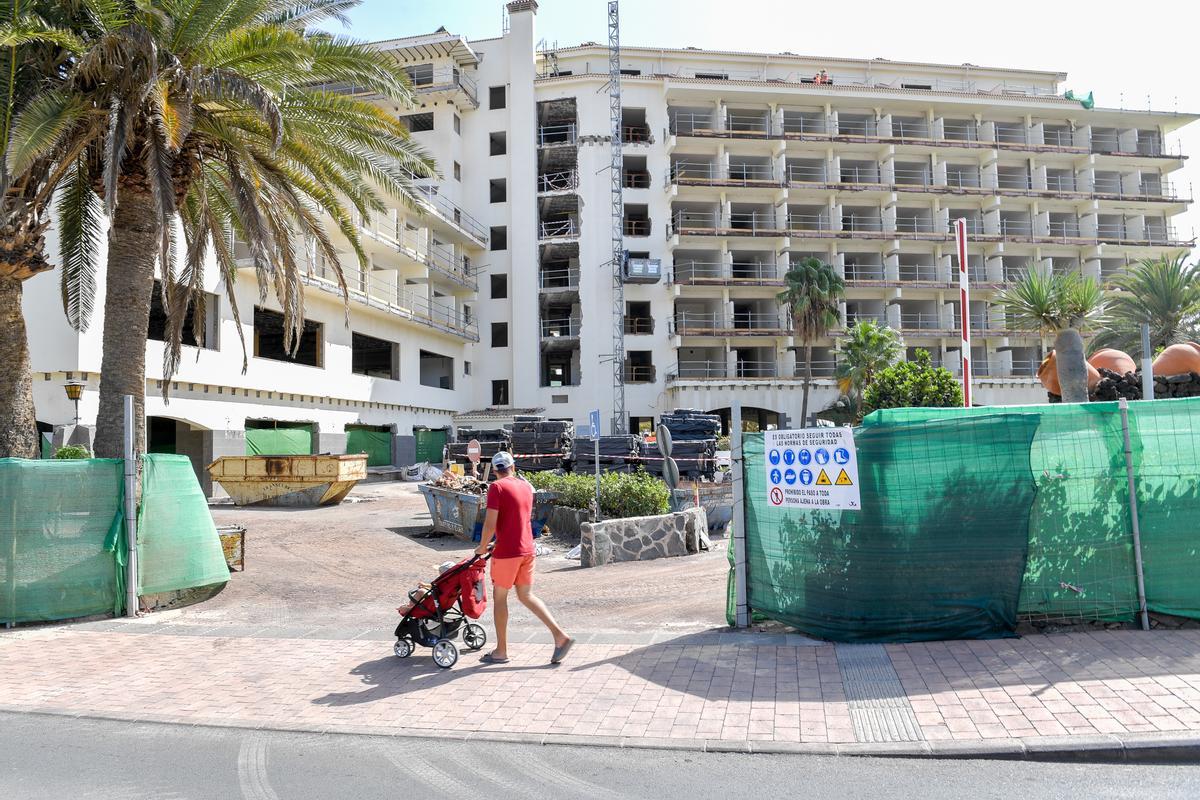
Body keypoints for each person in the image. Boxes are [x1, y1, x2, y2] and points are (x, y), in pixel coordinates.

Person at [474, 451, 573, 664]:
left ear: (494, 470)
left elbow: (490, 523)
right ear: (513, 467)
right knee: (526, 595)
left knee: (500, 599)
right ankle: (560, 636)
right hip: (527, 549)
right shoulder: (526, 486)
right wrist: (496, 541)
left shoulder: (496, 487)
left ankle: (501, 651)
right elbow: (516, 519)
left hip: (507, 553)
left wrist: (482, 547)